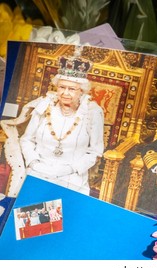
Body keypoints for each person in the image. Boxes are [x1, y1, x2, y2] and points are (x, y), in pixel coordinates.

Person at [1, 47, 104, 196]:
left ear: (81, 91)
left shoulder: (92, 112)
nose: (65, 93)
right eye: (62, 87)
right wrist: (33, 162)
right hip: (37, 172)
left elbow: (95, 152)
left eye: (72, 89)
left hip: (72, 177)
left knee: (64, 217)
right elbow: (27, 139)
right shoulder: (44, 106)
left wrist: (70, 169)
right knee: (30, 214)